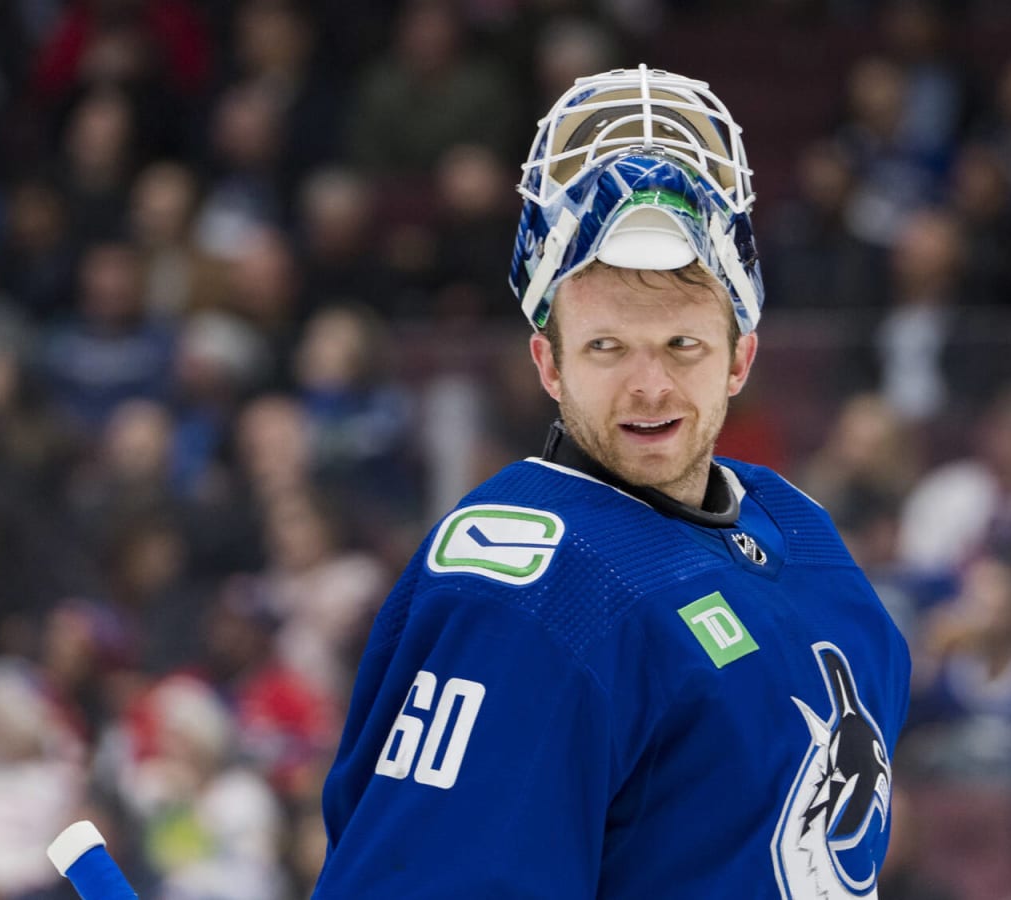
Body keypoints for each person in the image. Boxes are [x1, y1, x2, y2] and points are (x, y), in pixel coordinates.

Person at [312, 66, 911, 897]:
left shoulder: (803, 531)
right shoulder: (524, 588)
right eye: (606, 347)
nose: (649, 388)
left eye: (681, 346)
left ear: (740, 356)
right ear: (547, 362)